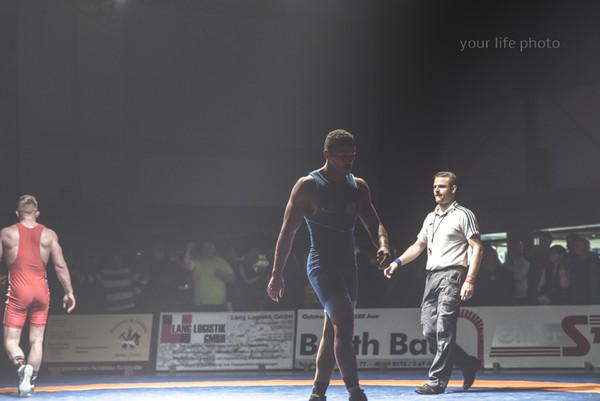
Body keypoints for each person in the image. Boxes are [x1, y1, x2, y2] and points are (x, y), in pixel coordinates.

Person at [267, 129, 392, 401]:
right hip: (321, 265)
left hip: (349, 267)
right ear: (327, 154)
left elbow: (374, 224)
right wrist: (277, 273)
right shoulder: (308, 186)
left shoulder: (358, 186)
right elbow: (287, 232)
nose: (348, 160)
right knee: (344, 323)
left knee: (332, 329)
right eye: (342, 155)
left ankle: (318, 393)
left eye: (352, 155)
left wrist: (382, 245)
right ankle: (355, 391)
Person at [383, 171, 483, 395]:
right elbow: (418, 246)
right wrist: (397, 263)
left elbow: (477, 248)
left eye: (442, 186)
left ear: (453, 189)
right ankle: (468, 363)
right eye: (435, 186)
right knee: (430, 331)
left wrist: (469, 279)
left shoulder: (463, 215)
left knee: (444, 328)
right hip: (431, 277)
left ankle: (437, 381)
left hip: (452, 275)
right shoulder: (430, 217)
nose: (437, 190)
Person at [0, 195, 76, 397]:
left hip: (18, 292)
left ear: (17, 213)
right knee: (36, 341)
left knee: (11, 341)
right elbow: (60, 266)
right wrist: (69, 291)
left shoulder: (7, 233)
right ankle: (30, 383)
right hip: (42, 292)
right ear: (37, 213)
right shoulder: (49, 235)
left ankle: (21, 367)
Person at [183, 239, 236, 311]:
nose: (207, 250)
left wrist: (223, 277)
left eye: (210, 248)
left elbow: (233, 278)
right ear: (202, 250)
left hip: (220, 303)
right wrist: (188, 250)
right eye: (204, 248)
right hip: (201, 304)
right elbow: (186, 265)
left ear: (214, 249)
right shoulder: (197, 262)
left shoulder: (222, 262)